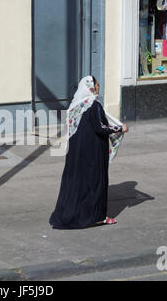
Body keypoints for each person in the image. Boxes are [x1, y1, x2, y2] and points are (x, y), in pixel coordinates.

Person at [49, 76, 129, 229]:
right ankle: (97, 217)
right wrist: (120, 128)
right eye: (97, 84)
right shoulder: (94, 105)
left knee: (77, 184)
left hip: (76, 154)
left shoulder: (74, 107)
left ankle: (70, 213)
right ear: (91, 87)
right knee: (95, 183)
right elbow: (101, 128)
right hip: (93, 153)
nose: (99, 86)